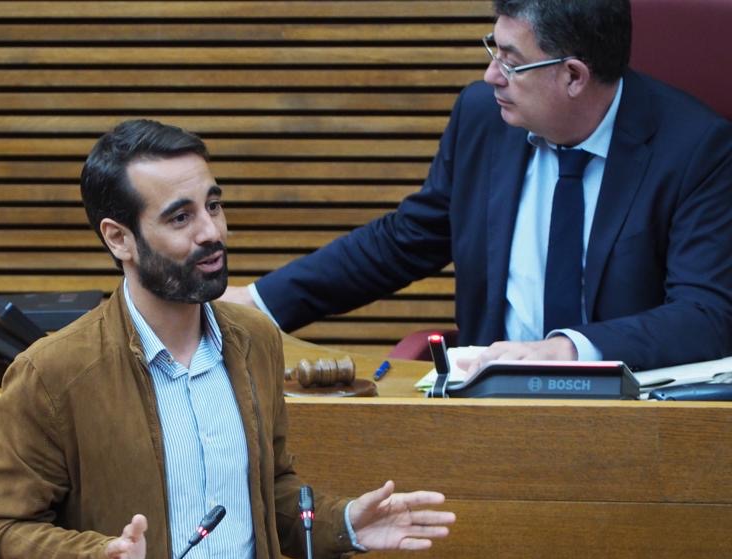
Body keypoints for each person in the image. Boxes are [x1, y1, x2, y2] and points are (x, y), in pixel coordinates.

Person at [0, 119, 455, 559]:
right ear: (119, 239)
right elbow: (1, 533)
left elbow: (267, 492)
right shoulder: (52, 373)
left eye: (214, 205)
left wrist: (343, 523)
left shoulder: (256, 342)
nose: (212, 232)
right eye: (181, 218)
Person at [222, 0, 732, 373]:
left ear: (573, 76)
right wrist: (263, 303)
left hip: (631, 416)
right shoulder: (484, 119)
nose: (491, 75)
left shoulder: (696, 149)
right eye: (493, 50)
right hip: (489, 407)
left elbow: (706, 314)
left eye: (510, 61)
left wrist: (566, 349)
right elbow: (406, 241)